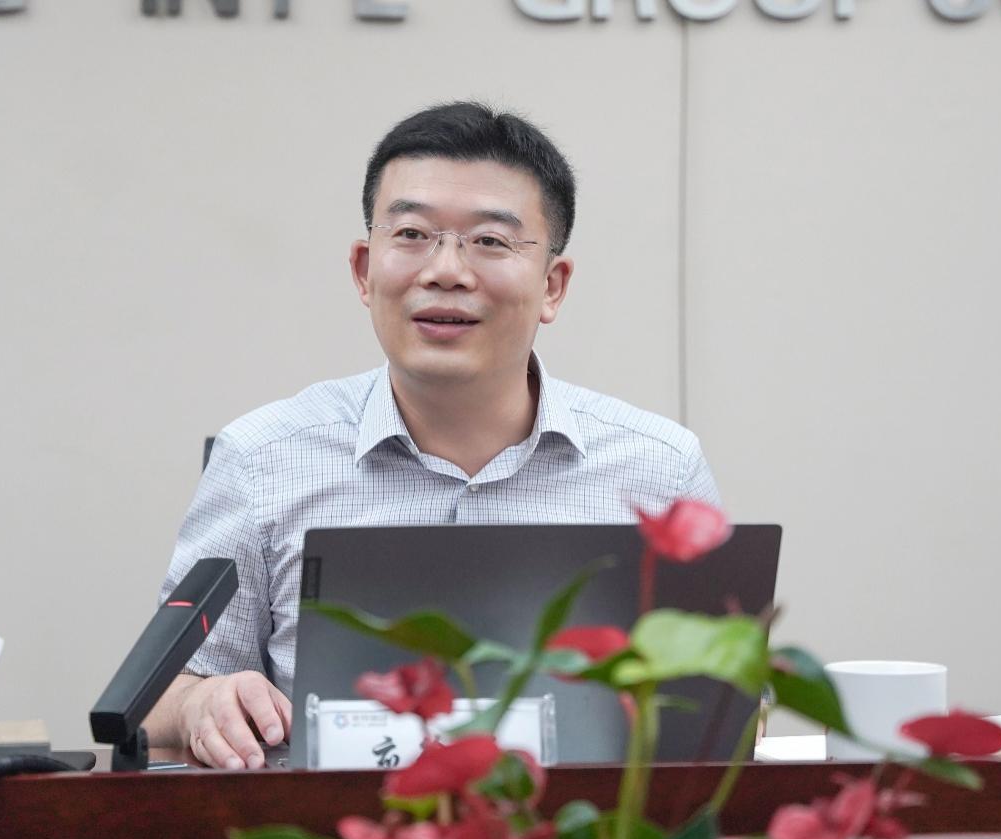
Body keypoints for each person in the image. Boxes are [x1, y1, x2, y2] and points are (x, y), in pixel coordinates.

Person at [142, 101, 720, 769]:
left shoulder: (659, 468)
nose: (446, 270)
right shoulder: (262, 459)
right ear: (364, 269)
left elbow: (725, 709)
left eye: (490, 241)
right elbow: (153, 704)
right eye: (413, 234)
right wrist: (200, 703)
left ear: (553, 285)